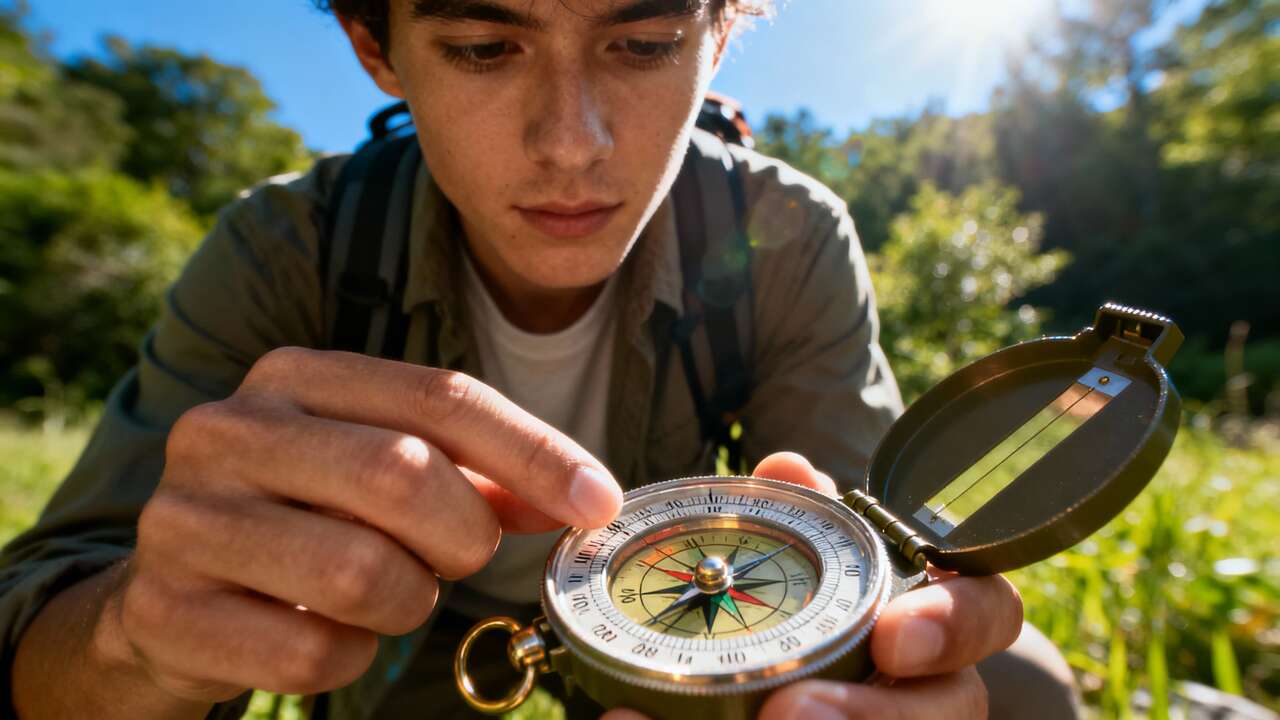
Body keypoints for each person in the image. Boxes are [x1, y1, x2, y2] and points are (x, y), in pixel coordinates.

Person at [2, 1, 1079, 718]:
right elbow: (41, 611)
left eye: (644, 40)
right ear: (376, 47)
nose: (571, 142)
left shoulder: (783, 233)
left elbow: (862, 567)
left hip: (677, 626)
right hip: (414, 639)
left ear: (718, 36)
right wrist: (127, 642)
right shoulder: (287, 248)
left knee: (1016, 687)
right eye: (481, 48)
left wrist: (877, 668)